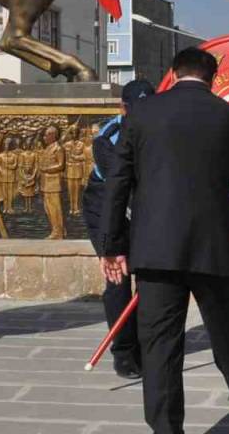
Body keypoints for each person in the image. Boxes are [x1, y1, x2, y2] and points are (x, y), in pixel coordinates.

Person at [101, 48, 229, 433]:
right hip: (216, 247)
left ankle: (166, 428)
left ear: (173, 73)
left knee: (159, 344)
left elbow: (118, 181)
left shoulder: (142, 114)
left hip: (155, 250)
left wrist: (112, 245)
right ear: (214, 77)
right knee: (228, 332)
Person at [82, 79, 155, 380]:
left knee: (152, 281)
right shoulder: (107, 138)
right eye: (136, 110)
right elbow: (123, 184)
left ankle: (148, 346)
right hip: (108, 206)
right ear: (123, 108)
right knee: (118, 280)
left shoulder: (161, 129)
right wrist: (110, 246)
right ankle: (123, 352)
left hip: (147, 204)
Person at [39, 126, 66, 239]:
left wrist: (47, 169)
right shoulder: (48, 148)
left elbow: (61, 165)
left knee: (55, 208)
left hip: (54, 182)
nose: (44, 138)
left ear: (52, 135)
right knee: (48, 207)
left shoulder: (58, 148)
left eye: (46, 135)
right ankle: (57, 229)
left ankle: (57, 232)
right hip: (46, 182)